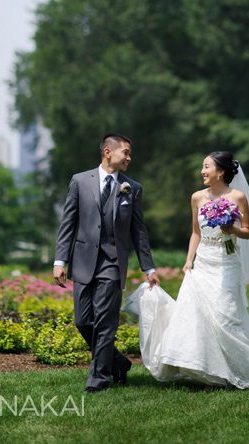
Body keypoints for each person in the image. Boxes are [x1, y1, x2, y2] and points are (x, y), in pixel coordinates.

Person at [125, 151, 249, 390]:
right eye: (202, 167)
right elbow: (196, 232)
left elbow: (247, 231)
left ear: (221, 171)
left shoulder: (238, 196)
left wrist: (231, 228)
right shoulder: (197, 197)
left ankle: (243, 369)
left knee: (226, 318)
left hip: (227, 263)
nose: (202, 171)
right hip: (204, 262)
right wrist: (188, 261)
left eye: (207, 167)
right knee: (201, 318)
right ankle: (211, 375)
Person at [53, 133, 159, 393]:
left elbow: (139, 231)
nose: (129, 158)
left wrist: (149, 268)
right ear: (108, 152)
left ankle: (98, 380)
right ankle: (119, 362)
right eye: (126, 152)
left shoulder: (132, 188)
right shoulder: (80, 181)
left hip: (113, 264)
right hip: (83, 262)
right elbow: (68, 223)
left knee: (104, 322)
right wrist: (60, 259)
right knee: (82, 321)